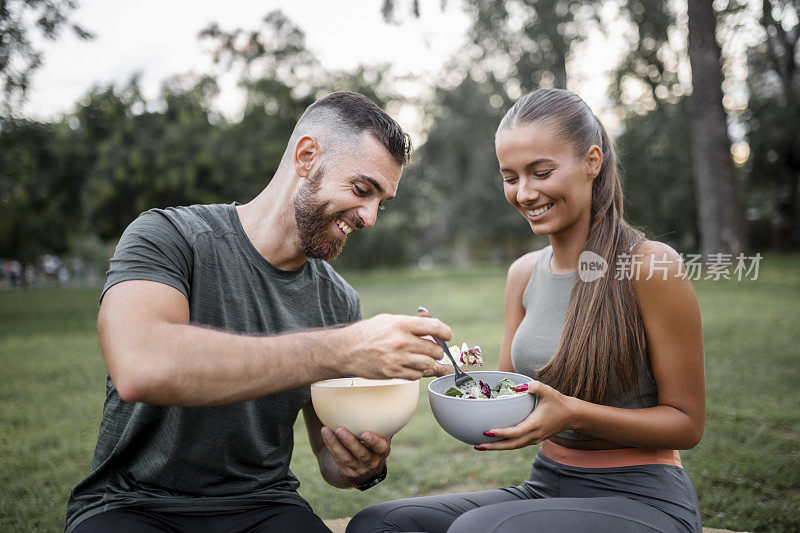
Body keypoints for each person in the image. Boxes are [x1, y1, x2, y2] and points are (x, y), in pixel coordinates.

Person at [64, 91, 453, 533]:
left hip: (263, 506)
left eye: (381, 201)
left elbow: (327, 458)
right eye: (363, 190)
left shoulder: (338, 300)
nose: (370, 217)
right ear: (306, 156)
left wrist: (358, 463)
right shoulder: (169, 237)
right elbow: (141, 366)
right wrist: (342, 348)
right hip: (132, 505)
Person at [347, 88, 706, 533]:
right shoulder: (522, 274)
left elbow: (687, 425)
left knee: (474, 531)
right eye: (510, 177)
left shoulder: (649, 264)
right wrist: (455, 375)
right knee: (380, 524)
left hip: (642, 496)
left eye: (541, 172)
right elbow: (514, 401)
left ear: (592, 162)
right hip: (548, 485)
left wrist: (572, 413)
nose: (525, 192)